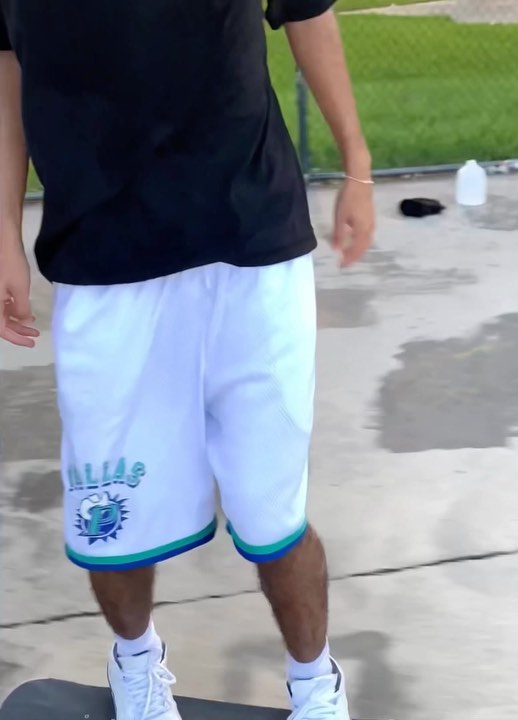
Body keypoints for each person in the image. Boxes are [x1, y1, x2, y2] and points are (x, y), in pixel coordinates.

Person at [0, 1, 374, 718]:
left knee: (272, 513)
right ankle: (135, 662)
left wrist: (356, 160)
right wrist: (3, 230)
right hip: (102, 257)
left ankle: (315, 685)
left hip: (249, 237)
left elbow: (307, 10)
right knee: (112, 516)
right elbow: (8, 64)